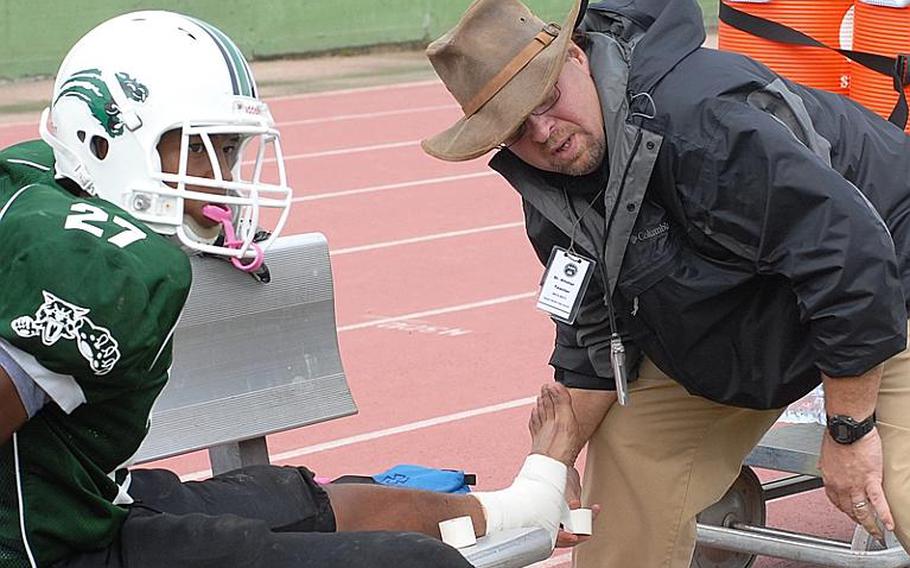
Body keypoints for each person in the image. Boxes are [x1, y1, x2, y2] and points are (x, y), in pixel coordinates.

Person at [0, 11, 592, 568]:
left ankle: (522, 507)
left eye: (229, 151)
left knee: (301, 497)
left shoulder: (41, 180)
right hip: (51, 547)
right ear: (104, 141)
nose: (225, 181)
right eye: (205, 150)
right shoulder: (94, 266)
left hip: (84, 499)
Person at [421, 0, 910, 566]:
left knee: (894, 487)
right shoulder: (552, 184)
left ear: (576, 58)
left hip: (886, 280)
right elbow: (592, 330)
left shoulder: (702, 125)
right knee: (626, 474)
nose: (546, 134)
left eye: (546, 100)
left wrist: (849, 431)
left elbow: (850, 259)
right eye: (517, 130)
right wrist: (549, 469)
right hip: (759, 312)